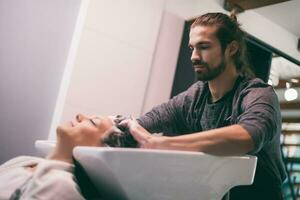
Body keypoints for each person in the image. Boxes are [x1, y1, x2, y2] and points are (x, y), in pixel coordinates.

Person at [118, 12, 287, 200]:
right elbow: (151, 120)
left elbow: (248, 136)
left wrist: (156, 143)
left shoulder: (258, 94)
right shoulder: (195, 96)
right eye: (192, 48)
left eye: (204, 47)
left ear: (231, 49)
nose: (194, 57)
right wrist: (119, 128)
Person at [0, 114, 118, 200]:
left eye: (93, 122)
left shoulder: (60, 185)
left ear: (101, 149)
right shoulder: (24, 160)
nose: (80, 116)